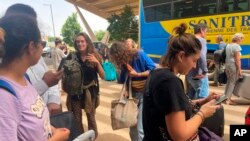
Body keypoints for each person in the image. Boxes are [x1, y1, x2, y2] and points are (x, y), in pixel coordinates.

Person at [143, 23, 221, 141]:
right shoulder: (170, 82)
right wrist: (203, 113)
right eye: (194, 60)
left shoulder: (156, 73)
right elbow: (180, 135)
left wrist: (203, 101)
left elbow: (172, 107)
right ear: (181, 56)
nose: (194, 66)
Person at [0, 13, 69, 141]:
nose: (43, 48)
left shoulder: (23, 78)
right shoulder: (4, 97)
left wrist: (53, 130)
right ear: (32, 47)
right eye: (42, 43)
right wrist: (57, 138)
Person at [4, 3, 63, 115]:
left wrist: (53, 100)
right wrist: (44, 83)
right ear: (32, 46)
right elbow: (14, 101)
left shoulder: (28, 68)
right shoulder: (6, 79)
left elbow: (49, 79)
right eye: (41, 43)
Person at [109, 42, 156, 141]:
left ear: (122, 54)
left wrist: (138, 74)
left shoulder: (139, 55)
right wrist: (126, 88)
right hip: (132, 96)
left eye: (117, 58)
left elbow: (154, 70)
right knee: (133, 128)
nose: (117, 61)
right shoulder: (123, 63)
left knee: (139, 129)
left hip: (145, 95)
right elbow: (123, 79)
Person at [64, 32, 104, 138]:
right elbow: (63, 72)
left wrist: (97, 63)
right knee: (77, 119)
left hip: (89, 92)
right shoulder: (72, 56)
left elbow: (103, 76)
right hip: (75, 93)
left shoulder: (94, 56)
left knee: (91, 117)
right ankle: (81, 138)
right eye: (78, 42)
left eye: (82, 41)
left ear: (87, 42)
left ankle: (93, 137)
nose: (80, 44)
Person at [186, 23, 209, 99]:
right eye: (206, 31)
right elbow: (201, 56)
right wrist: (205, 71)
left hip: (189, 73)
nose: (206, 33)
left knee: (191, 96)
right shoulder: (201, 40)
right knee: (203, 97)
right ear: (202, 30)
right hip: (199, 74)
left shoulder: (189, 40)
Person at [224, 33, 244, 105]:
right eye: (242, 39)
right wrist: (239, 70)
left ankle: (224, 97)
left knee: (229, 81)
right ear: (238, 39)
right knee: (232, 82)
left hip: (227, 64)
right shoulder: (237, 46)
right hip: (233, 65)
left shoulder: (228, 45)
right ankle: (228, 99)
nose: (242, 41)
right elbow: (237, 60)